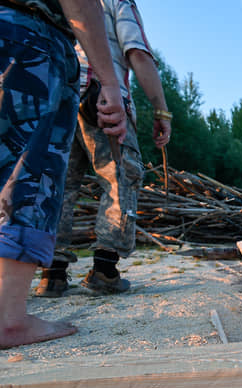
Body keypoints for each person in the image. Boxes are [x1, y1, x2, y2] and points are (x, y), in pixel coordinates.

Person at [0, 0, 127, 349]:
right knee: (30, 171)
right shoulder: (123, 6)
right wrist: (110, 83)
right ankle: (8, 318)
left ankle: (50, 276)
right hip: (27, 40)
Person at [35, 0, 171, 297]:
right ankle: (105, 271)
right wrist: (161, 110)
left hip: (59, 98)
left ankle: (52, 275)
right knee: (120, 177)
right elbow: (137, 51)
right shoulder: (117, 1)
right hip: (103, 97)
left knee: (60, 185)